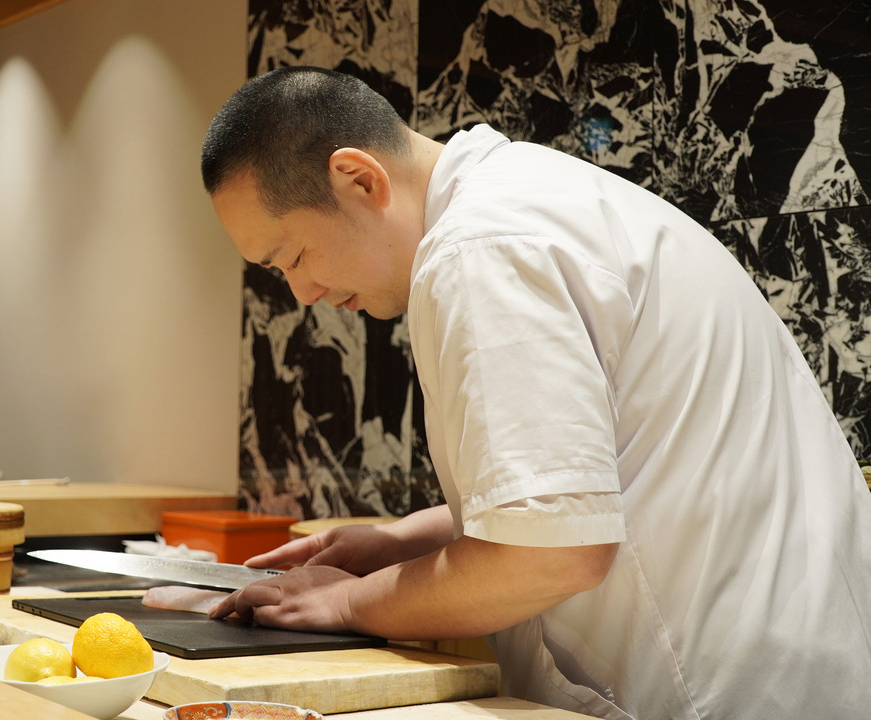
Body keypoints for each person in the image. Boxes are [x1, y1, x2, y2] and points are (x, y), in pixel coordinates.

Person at [199, 66, 871, 719]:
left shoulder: (483, 247)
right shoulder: (533, 198)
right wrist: (401, 540)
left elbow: (550, 556)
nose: (304, 294)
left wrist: (349, 603)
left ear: (357, 179)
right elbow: (592, 486)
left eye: (290, 258)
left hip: (723, 693)